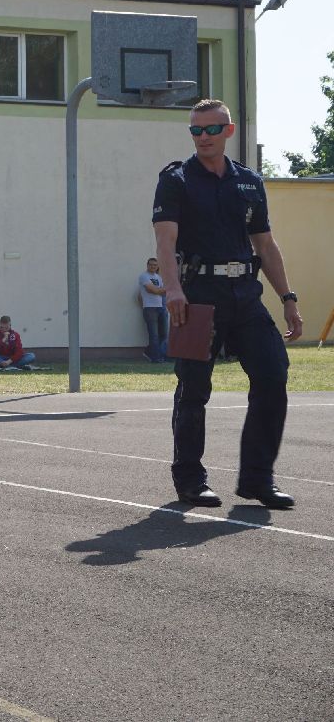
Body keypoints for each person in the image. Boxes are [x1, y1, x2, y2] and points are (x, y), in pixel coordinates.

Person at [153, 98, 303, 510]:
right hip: (196, 296)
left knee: (273, 375)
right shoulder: (176, 179)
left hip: (245, 296)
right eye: (196, 131)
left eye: (211, 129)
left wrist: (287, 298)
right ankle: (190, 479)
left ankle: (257, 480)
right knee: (194, 390)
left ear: (229, 131)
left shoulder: (250, 182)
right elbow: (165, 243)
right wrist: (173, 290)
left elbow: (266, 246)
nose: (203, 137)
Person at [138, 257, 168, 363]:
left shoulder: (158, 277)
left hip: (161, 307)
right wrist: (159, 290)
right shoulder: (143, 276)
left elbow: (164, 291)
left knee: (164, 334)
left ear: (157, 266)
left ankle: (153, 353)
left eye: (155, 265)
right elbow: (151, 290)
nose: (153, 266)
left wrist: (158, 290)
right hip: (150, 308)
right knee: (154, 334)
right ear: (147, 265)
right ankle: (155, 358)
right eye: (151, 265)